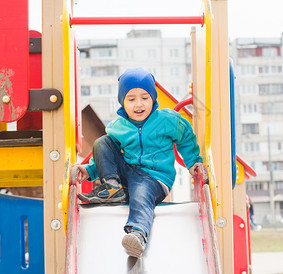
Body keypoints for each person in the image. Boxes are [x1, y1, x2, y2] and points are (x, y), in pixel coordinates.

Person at [71, 68, 204, 258]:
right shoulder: (119, 127)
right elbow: (107, 154)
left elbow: (185, 137)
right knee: (102, 142)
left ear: (153, 99)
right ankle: (113, 188)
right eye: (131, 99)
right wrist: (89, 170)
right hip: (128, 173)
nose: (138, 104)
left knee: (140, 195)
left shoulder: (167, 120)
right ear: (122, 102)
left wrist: (193, 162)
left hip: (154, 178)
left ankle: (138, 234)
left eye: (145, 98)